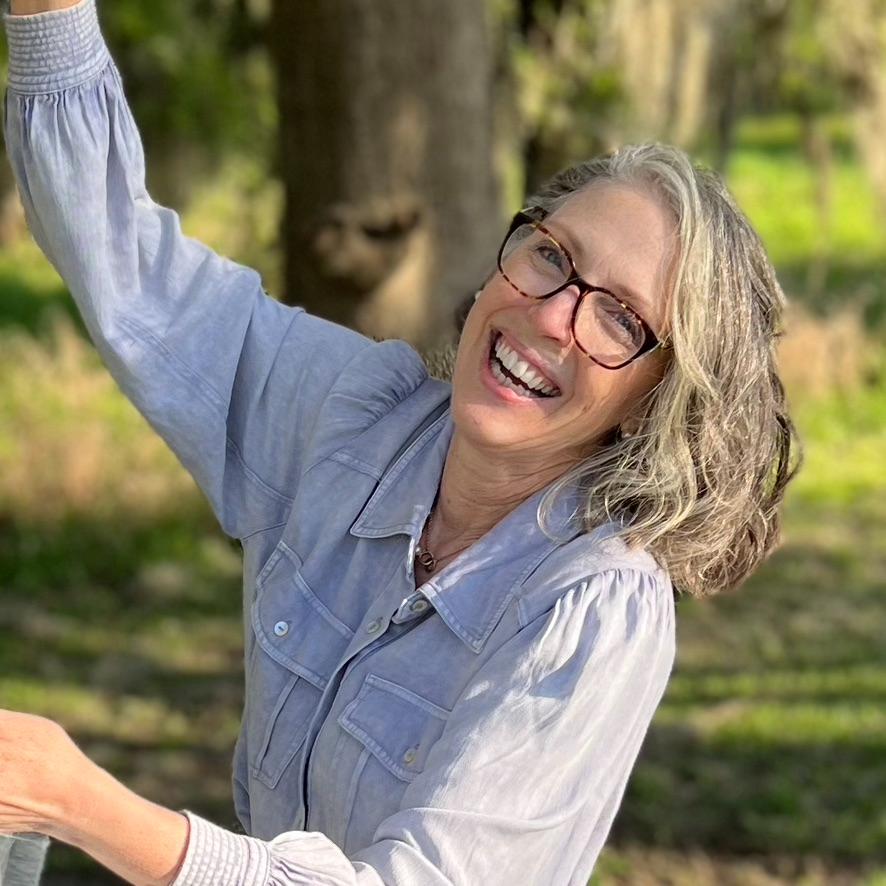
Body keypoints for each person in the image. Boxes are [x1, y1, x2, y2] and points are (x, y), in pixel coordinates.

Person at [0, 0, 800, 883]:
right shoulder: (356, 419)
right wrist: (51, 16)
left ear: (659, 399)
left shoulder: (593, 607)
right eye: (551, 256)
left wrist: (86, 806)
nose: (550, 315)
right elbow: (134, 276)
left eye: (618, 317)